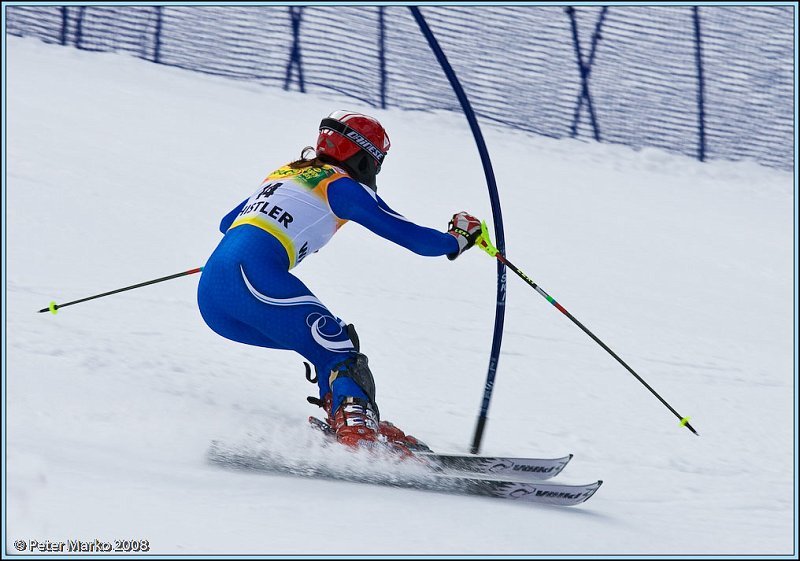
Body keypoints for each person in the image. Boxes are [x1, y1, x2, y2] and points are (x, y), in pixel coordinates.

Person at [197, 110, 482, 453]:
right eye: (377, 163)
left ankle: (350, 417)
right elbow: (416, 240)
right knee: (339, 349)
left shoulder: (285, 173)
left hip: (214, 292)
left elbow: (227, 222)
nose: (376, 172)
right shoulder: (340, 186)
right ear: (363, 156)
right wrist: (458, 239)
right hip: (251, 279)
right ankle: (355, 431)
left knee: (324, 348)